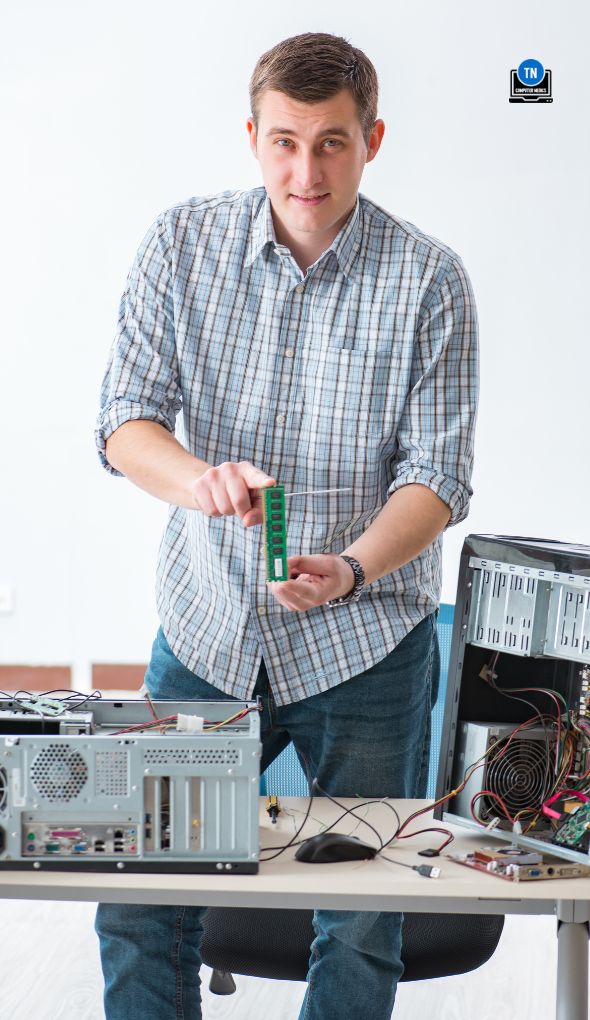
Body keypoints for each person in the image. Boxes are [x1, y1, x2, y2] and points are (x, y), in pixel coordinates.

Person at [94, 31, 478, 1020]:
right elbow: (122, 423)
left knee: (356, 918)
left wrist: (348, 569)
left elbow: (436, 480)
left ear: (372, 140)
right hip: (207, 629)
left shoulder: (429, 281)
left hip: (365, 645)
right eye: (284, 141)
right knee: (144, 902)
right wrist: (197, 481)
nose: (304, 171)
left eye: (332, 144)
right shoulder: (180, 244)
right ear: (252, 136)